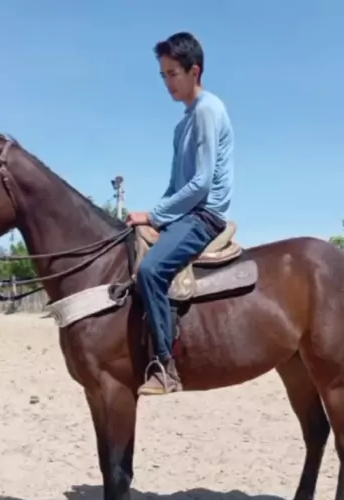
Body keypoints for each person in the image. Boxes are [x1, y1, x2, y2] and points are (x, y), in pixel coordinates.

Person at [126, 31, 234, 395]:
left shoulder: (208, 110)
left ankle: (164, 366)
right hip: (184, 213)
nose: (167, 82)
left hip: (204, 215)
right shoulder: (181, 125)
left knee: (151, 270)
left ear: (194, 71)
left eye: (173, 73)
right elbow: (175, 186)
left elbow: (201, 183)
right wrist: (152, 215)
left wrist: (154, 216)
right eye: (163, 75)